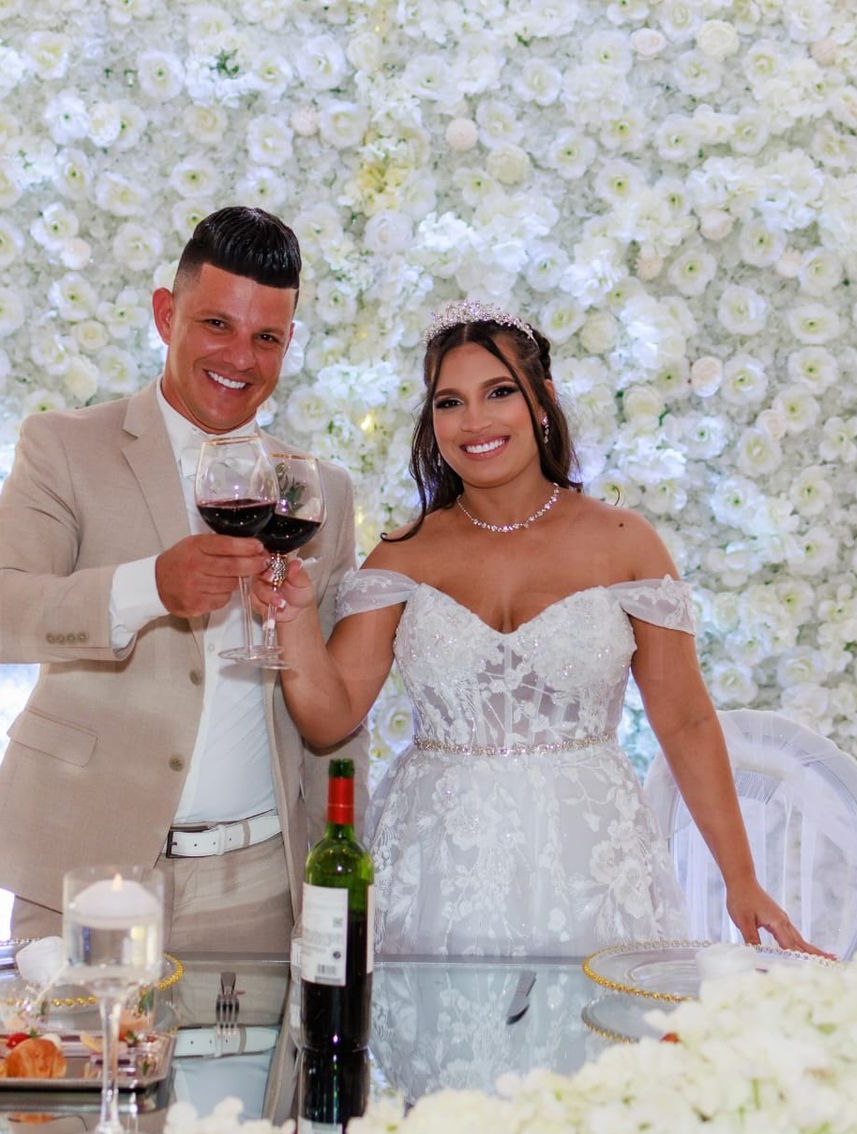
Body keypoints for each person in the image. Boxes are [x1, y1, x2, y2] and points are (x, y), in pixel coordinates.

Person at [254, 300, 817, 957]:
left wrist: (741, 880)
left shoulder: (625, 543)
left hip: (590, 866)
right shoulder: (403, 556)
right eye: (450, 402)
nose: (475, 421)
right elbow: (329, 717)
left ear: (542, 400)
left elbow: (687, 721)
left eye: (499, 392)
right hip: (436, 869)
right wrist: (294, 616)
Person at [0, 207, 360, 952]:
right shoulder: (64, 446)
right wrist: (148, 588)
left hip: (260, 890)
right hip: (85, 871)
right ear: (166, 315)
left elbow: (336, 717)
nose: (240, 357)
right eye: (217, 324)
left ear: (288, 343)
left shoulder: (318, 492)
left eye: (266, 337)